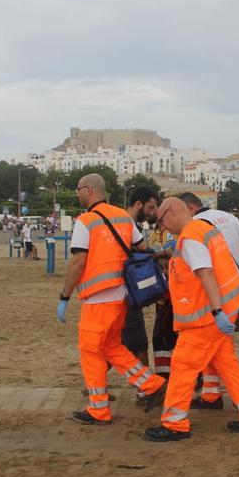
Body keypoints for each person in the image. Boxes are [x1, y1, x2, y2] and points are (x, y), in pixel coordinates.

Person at [143, 198, 239, 442]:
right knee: (227, 365)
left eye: (161, 221)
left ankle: (174, 423)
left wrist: (216, 312)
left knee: (182, 366)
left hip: (204, 317)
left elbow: (205, 273)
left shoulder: (190, 237)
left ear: (172, 212)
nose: (163, 227)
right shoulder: (205, 230)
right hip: (217, 311)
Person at [57, 173, 166, 425]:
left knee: (90, 350)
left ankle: (98, 409)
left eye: (78, 190)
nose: (77, 194)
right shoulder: (123, 217)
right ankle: (151, 384)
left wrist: (64, 296)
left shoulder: (85, 221)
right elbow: (140, 248)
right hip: (121, 297)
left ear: (89, 190)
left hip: (98, 298)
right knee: (111, 347)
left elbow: (78, 261)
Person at [178, 192, 239, 400]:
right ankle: (229, 388)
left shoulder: (194, 225)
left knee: (216, 346)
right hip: (237, 288)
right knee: (231, 342)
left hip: (215, 292)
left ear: (189, 209)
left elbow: (203, 267)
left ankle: (234, 396)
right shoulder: (231, 218)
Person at [122, 187, 160, 369]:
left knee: (117, 343)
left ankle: (93, 384)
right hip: (127, 292)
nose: (152, 212)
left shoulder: (115, 221)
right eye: (150, 207)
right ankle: (146, 389)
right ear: (138, 204)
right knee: (139, 345)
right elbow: (144, 249)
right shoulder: (127, 224)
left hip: (113, 292)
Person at [147, 220, 178, 378]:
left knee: (169, 337)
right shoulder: (153, 235)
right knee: (161, 336)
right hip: (164, 294)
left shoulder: (177, 233)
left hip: (174, 296)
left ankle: (168, 376)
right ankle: (164, 375)